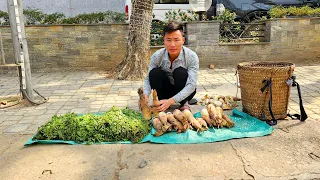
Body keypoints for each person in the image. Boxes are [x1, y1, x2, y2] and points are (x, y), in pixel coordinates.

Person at [143, 21, 199, 112]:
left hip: (185, 91)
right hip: (166, 91)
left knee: (180, 72)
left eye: (176, 40)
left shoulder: (191, 56)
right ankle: (163, 102)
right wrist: (145, 95)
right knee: (154, 73)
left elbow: (192, 85)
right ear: (164, 41)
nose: (172, 44)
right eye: (168, 40)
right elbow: (148, 78)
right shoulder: (157, 56)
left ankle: (184, 103)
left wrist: (171, 101)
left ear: (183, 40)